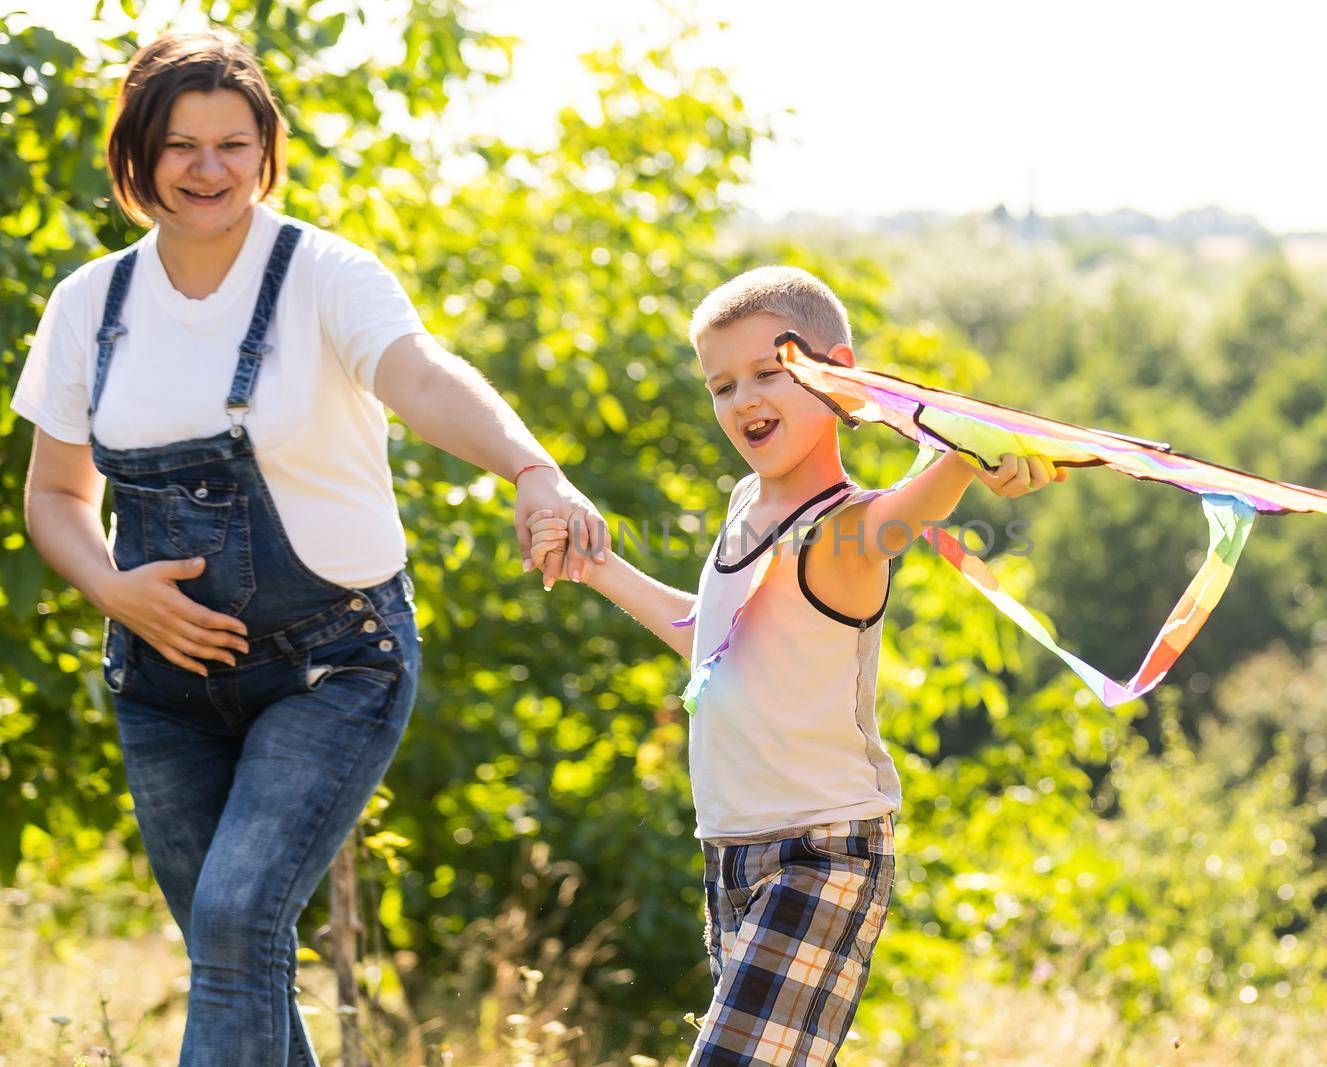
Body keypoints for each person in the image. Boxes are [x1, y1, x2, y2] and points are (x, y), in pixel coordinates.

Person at [13, 30, 606, 1065]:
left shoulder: (323, 273)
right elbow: (56, 495)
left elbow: (421, 378)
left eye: (233, 144)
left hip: (331, 663)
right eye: (181, 145)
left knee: (238, 917)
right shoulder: (88, 305)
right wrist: (114, 590)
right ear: (137, 153)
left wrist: (530, 467)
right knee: (230, 946)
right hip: (163, 679)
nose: (208, 169)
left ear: (266, 151)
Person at [524, 265, 1062, 1065]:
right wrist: (596, 567)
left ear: (836, 373)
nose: (743, 400)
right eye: (722, 385)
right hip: (731, 850)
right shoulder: (748, 503)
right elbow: (708, 637)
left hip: (823, 852)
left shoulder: (844, 531)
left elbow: (908, 508)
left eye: (771, 371)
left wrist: (969, 456)